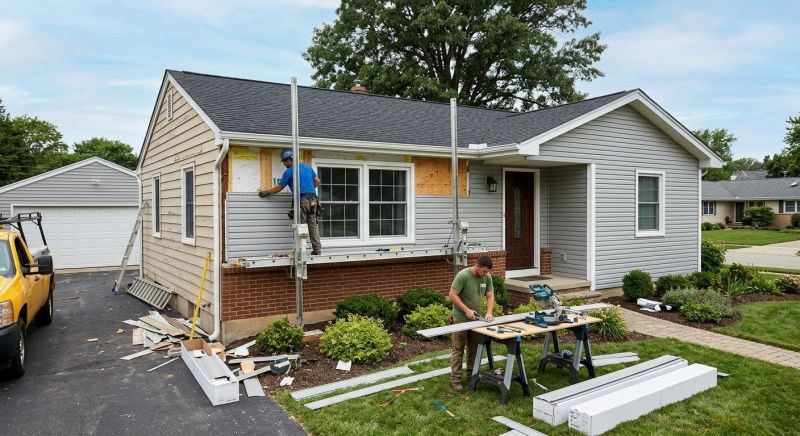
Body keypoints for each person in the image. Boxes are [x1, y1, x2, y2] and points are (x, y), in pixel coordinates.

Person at [258, 148, 322, 255]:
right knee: (312, 225)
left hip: (303, 200)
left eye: (284, 161)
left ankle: (301, 252)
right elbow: (317, 181)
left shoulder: (289, 171)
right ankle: (317, 249)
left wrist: (268, 192)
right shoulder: (307, 167)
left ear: (289, 159)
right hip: (313, 200)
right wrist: (309, 189)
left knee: (300, 226)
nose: (284, 164)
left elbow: (279, 187)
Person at [449, 255, 495, 392]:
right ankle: (456, 380)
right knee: (458, 349)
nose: (485, 274)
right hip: (460, 318)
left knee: (473, 349)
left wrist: (489, 312)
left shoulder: (487, 277)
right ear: (477, 266)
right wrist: (466, 310)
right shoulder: (463, 275)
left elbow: (490, 295)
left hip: (475, 318)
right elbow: (452, 295)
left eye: (487, 272)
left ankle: (471, 376)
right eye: (484, 271)